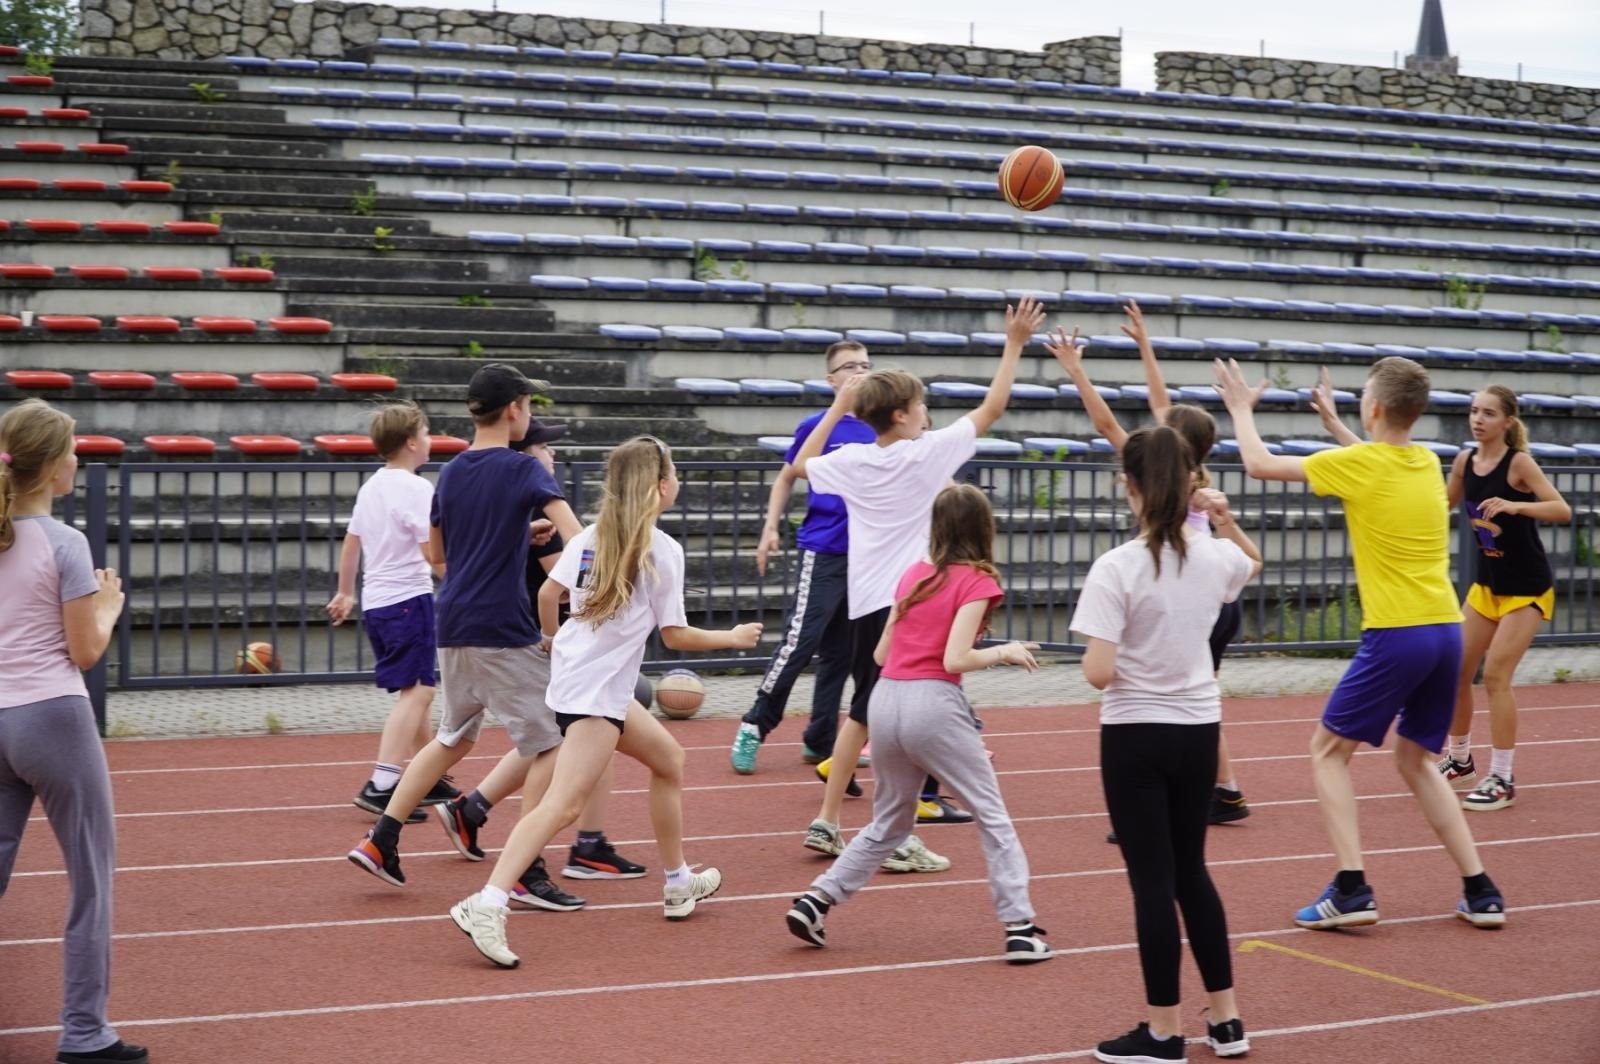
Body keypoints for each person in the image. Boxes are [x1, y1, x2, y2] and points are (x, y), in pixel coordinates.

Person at [1215, 356, 1506, 931]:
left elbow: (1256, 463)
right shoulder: (1422, 461)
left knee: (1327, 751)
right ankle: (1480, 888)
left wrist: (1241, 410)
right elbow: (1374, 462)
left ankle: (1351, 887)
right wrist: (1337, 430)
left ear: (1372, 408)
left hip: (1398, 633)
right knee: (1416, 760)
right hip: (1445, 630)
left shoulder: (1362, 463)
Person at [450, 436, 762, 968]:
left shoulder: (589, 537)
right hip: (596, 696)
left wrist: (552, 640)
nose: (679, 480)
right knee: (563, 805)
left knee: (669, 760)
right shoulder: (663, 549)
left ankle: (677, 881)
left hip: (584, 681)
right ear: (661, 487)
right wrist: (731, 638)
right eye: (676, 471)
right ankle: (488, 902)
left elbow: (549, 596)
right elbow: (677, 635)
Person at [792, 295, 1048, 853]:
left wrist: (837, 408)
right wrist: (1014, 343)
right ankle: (896, 829)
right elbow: (994, 408)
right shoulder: (925, 453)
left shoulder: (854, 461)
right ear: (905, 415)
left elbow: (799, 465)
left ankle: (831, 818)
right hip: (918, 597)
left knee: (865, 711)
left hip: (867, 600)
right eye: (921, 401)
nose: (926, 408)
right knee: (911, 709)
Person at [347, 364, 584, 909]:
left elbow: (439, 557)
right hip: (502, 625)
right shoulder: (526, 471)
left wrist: (515, 536)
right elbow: (577, 539)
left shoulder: (450, 473)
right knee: (553, 740)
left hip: (452, 620)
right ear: (516, 409)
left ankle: (381, 839)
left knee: (455, 736)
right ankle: (526, 869)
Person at [785, 484, 1051, 962]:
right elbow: (956, 656)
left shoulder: (912, 575)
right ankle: (1020, 926)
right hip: (934, 701)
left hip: (885, 701)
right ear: (983, 529)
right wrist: (1004, 652)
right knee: (991, 815)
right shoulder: (979, 583)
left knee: (889, 821)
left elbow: (882, 652)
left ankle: (817, 899)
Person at [1072, 426, 1260, 1063]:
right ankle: (1228, 1020)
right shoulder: (1216, 557)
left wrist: (1134, 658)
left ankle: (1162, 1032)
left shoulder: (1116, 567)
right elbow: (1248, 565)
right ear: (1190, 484)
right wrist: (1224, 518)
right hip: (1199, 729)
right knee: (1193, 875)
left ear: (1129, 487)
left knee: (1152, 882)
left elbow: (1098, 671)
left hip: (1134, 732)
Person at [1046, 302, 1257, 836]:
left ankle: (1187, 796)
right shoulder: (1195, 474)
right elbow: (1162, 405)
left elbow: (1106, 421)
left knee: (1181, 691)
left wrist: (1076, 372)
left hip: (1183, 585)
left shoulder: (1168, 478)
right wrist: (1144, 345)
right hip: (1211, 586)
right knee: (1195, 689)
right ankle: (1224, 787)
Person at [432, 418, 646, 912]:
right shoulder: (539, 515)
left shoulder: (503, 506)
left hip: (535, 640)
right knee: (571, 736)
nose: (551, 456)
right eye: (545, 448)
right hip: (551, 645)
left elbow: (441, 553)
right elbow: (569, 583)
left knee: (553, 737)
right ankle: (570, 850)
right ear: (526, 456)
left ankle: (473, 808)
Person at [0, 399, 145, 1064]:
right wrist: (110, 607)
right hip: (53, 718)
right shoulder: (66, 544)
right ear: (56, 466)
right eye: (74, 449)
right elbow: (84, 653)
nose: (79, 458)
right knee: (91, 876)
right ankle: (85, 1032)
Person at [729, 341, 876, 775]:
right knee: (801, 641)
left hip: (868, 557)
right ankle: (754, 723)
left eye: (867, 365)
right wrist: (770, 526)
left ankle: (821, 739)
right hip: (824, 549)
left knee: (846, 654)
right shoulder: (817, 425)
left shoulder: (880, 428)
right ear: (832, 379)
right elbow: (788, 475)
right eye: (851, 367)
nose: (861, 372)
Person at [1430, 387, 1567, 810]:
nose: (1478, 419)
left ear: (1508, 421)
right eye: (1474, 411)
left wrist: (1515, 506)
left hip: (1527, 588)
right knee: (1455, 672)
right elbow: (1440, 506)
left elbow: (1561, 509)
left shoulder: (1519, 464)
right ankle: (1459, 760)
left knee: (1495, 677)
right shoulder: (1463, 462)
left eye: (1488, 413)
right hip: (1487, 588)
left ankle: (1503, 778)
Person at [327, 402, 458, 824]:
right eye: (427, 431)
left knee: (413, 689)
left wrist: (345, 593)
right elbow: (430, 552)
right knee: (421, 691)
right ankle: (382, 782)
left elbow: (352, 542)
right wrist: (459, 583)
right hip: (407, 599)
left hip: (378, 602)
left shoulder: (373, 486)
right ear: (411, 442)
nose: (431, 439)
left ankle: (425, 774)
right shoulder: (416, 489)